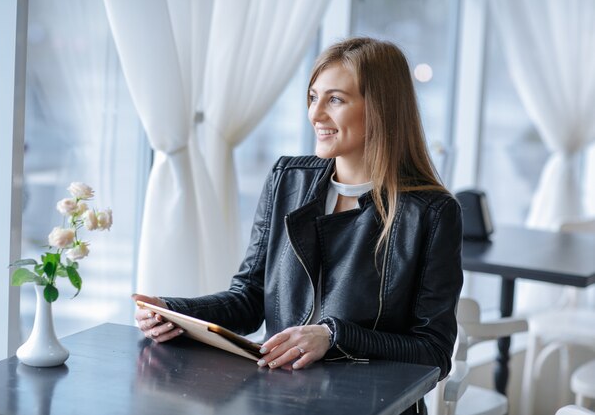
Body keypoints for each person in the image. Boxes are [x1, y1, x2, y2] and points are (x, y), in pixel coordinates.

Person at [133, 37, 463, 414]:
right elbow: (249, 298)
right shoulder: (288, 180)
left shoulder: (432, 213)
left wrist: (333, 337)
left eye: (335, 99)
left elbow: (433, 354)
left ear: (381, 109)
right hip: (278, 401)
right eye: (312, 97)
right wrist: (174, 311)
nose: (315, 114)